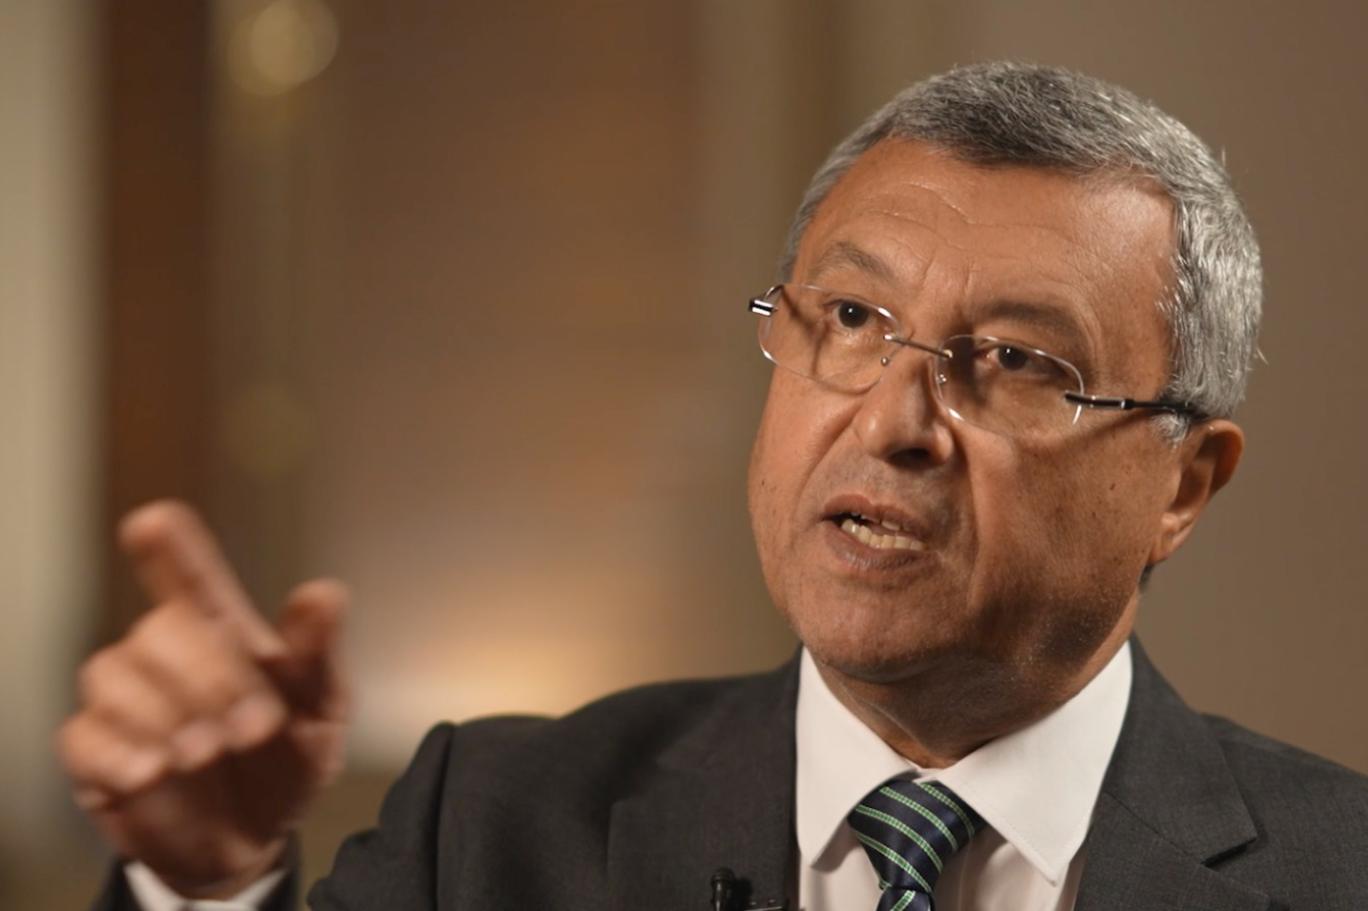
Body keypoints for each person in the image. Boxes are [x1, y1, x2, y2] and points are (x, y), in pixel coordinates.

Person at [64, 61, 1368, 911]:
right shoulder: (493, 833)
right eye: (849, 319)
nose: (894, 422)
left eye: (1019, 362)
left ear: (1183, 486)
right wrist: (210, 883)